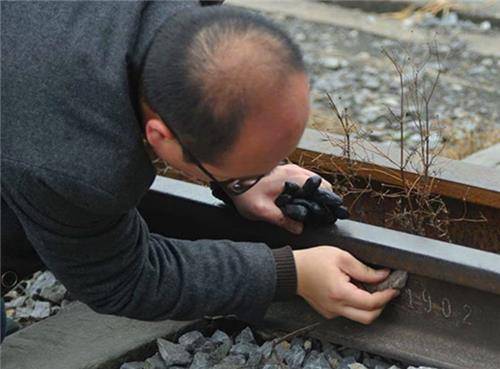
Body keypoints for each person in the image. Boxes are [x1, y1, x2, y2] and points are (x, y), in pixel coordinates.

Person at [1, 1, 399, 340]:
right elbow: (124, 278)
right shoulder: (74, 162)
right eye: (242, 174)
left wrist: (248, 176)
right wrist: (288, 273)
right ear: (160, 136)